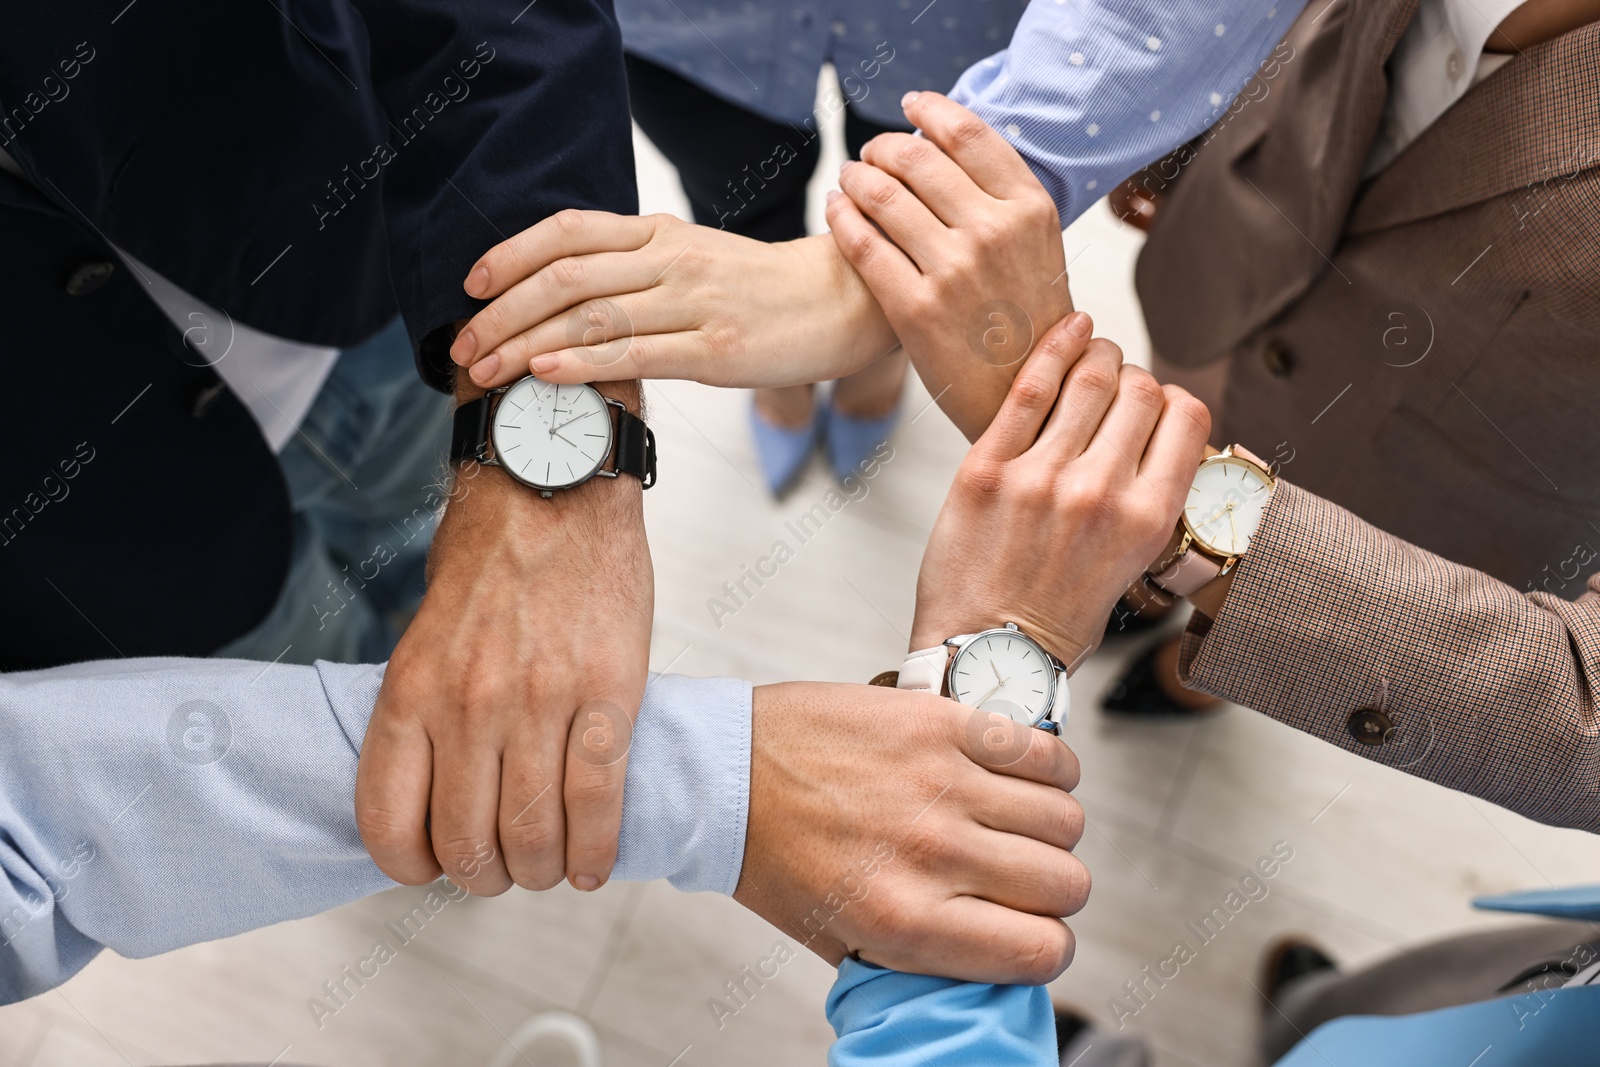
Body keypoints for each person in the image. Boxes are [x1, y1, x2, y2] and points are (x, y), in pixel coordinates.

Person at [0, 1, 662, 912]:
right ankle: (437, 825)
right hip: (106, 557)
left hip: (374, 273)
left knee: (429, 548)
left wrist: (556, 434)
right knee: (364, 736)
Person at [1098, 0, 1600, 716]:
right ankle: (1143, 584)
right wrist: (1192, 116)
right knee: (1167, 458)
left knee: (1266, 612)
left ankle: (1203, 676)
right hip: (1247, 234)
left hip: (1424, 460)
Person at [603, 0, 1027, 495]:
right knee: (739, 205)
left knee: (916, 210)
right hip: (683, 30)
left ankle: (881, 351)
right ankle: (779, 374)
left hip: (953, 26)